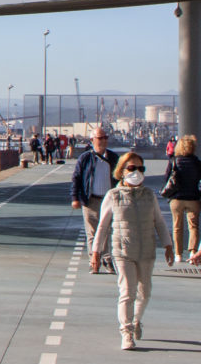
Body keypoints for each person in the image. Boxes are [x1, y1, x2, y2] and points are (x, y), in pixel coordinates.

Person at [92, 151, 173, 348]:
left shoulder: (149, 195)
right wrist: (96, 252)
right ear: (122, 171)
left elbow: (159, 221)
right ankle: (126, 333)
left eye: (140, 168)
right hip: (123, 251)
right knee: (127, 292)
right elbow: (102, 226)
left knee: (145, 293)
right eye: (131, 168)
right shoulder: (113, 196)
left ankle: (136, 320)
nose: (136, 172)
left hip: (146, 251)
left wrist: (168, 245)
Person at [71, 125, 120, 265]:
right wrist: (75, 198)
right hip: (90, 200)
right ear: (92, 140)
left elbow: (120, 178)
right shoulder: (85, 158)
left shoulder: (113, 158)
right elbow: (76, 178)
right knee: (92, 233)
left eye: (105, 137)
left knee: (107, 231)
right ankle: (94, 261)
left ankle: (107, 259)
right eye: (100, 138)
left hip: (109, 201)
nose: (103, 140)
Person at [162, 134, 201, 262]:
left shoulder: (174, 161)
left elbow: (166, 178)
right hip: (193, 198)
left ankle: (178, 254)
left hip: (176, 198)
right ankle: (193, 252)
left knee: (177, 226)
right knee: (193, 226)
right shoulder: (196, 162)